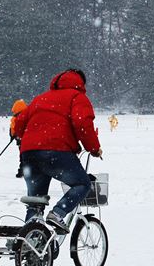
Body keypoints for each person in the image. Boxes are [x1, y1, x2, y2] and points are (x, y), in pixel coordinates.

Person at [14, 69, 102, 234]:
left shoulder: (40, 98)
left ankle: (30, 244)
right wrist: (94, 149)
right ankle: (58, 213)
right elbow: (82, 123)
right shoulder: (77, 97)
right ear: (81, 83)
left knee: (35, 201)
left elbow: (19, 124)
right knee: (82, 183)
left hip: (29, 154)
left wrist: (32, 139)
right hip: (56, 152)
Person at [9, 99, 27, 178]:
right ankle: (24, 170)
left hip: (22, 140)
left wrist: (13, 135)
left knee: (23, 156)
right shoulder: (27, 115)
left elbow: (13, 129)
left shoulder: (17, 118)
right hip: (24, 140)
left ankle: (22, 171)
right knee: (25, 156)